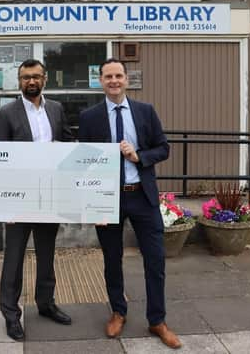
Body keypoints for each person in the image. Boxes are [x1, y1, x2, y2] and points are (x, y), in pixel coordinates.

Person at [78, 58, 181, 349]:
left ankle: (157, 320)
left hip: (142, 195)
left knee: (156, 259)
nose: (114, 80)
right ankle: (118, 312)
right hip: (107, 198)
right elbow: (81, 163)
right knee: (112, 259)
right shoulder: (89, 117)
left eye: (119, 75)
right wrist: (91, 205)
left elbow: (163, 148)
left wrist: (139, 157)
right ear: (100, 80)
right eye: (108, 76)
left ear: (127, 79)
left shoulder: (145, 112)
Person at [0, 59, 74, 341]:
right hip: (18, 198)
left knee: (46, 254)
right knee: (13, 259)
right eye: (26, 77)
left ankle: (46, 304)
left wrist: (63, 149)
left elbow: (67, 145)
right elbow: (0, 159)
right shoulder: (5, 113)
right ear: (19, 80)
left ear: (45, 79)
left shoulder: (56, 109)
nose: (31, 81)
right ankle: (11, 315)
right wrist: (6, 203)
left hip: (49, 195)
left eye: (36, 76)